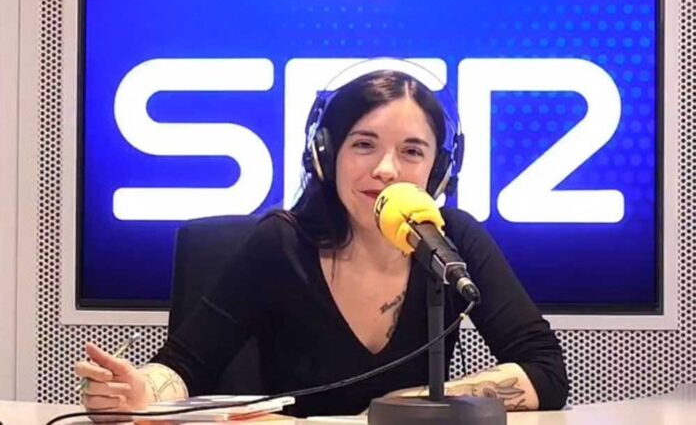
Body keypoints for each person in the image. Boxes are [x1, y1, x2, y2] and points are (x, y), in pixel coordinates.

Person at [75, 68, 569, 419]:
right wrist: (138, 391)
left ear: (438, 171)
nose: (386, 169)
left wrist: (397, 411)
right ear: (325, 156)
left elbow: (545, 370)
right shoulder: (282, 244)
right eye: (364, 144)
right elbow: (184, 365)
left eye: (412, 151)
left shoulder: (451, 241)